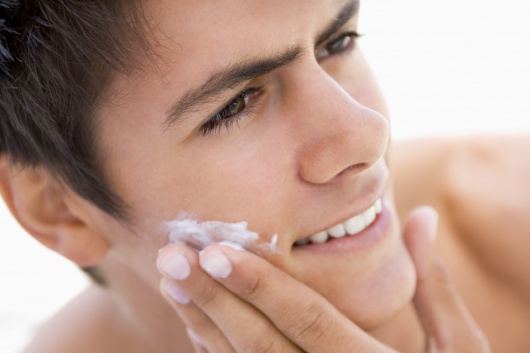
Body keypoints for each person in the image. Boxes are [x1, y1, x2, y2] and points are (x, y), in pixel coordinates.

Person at [0, 0, 528, 352]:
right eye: (234, 105)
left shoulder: (510, 218)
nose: (366, 137)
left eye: (337, 42)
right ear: (59, 208)